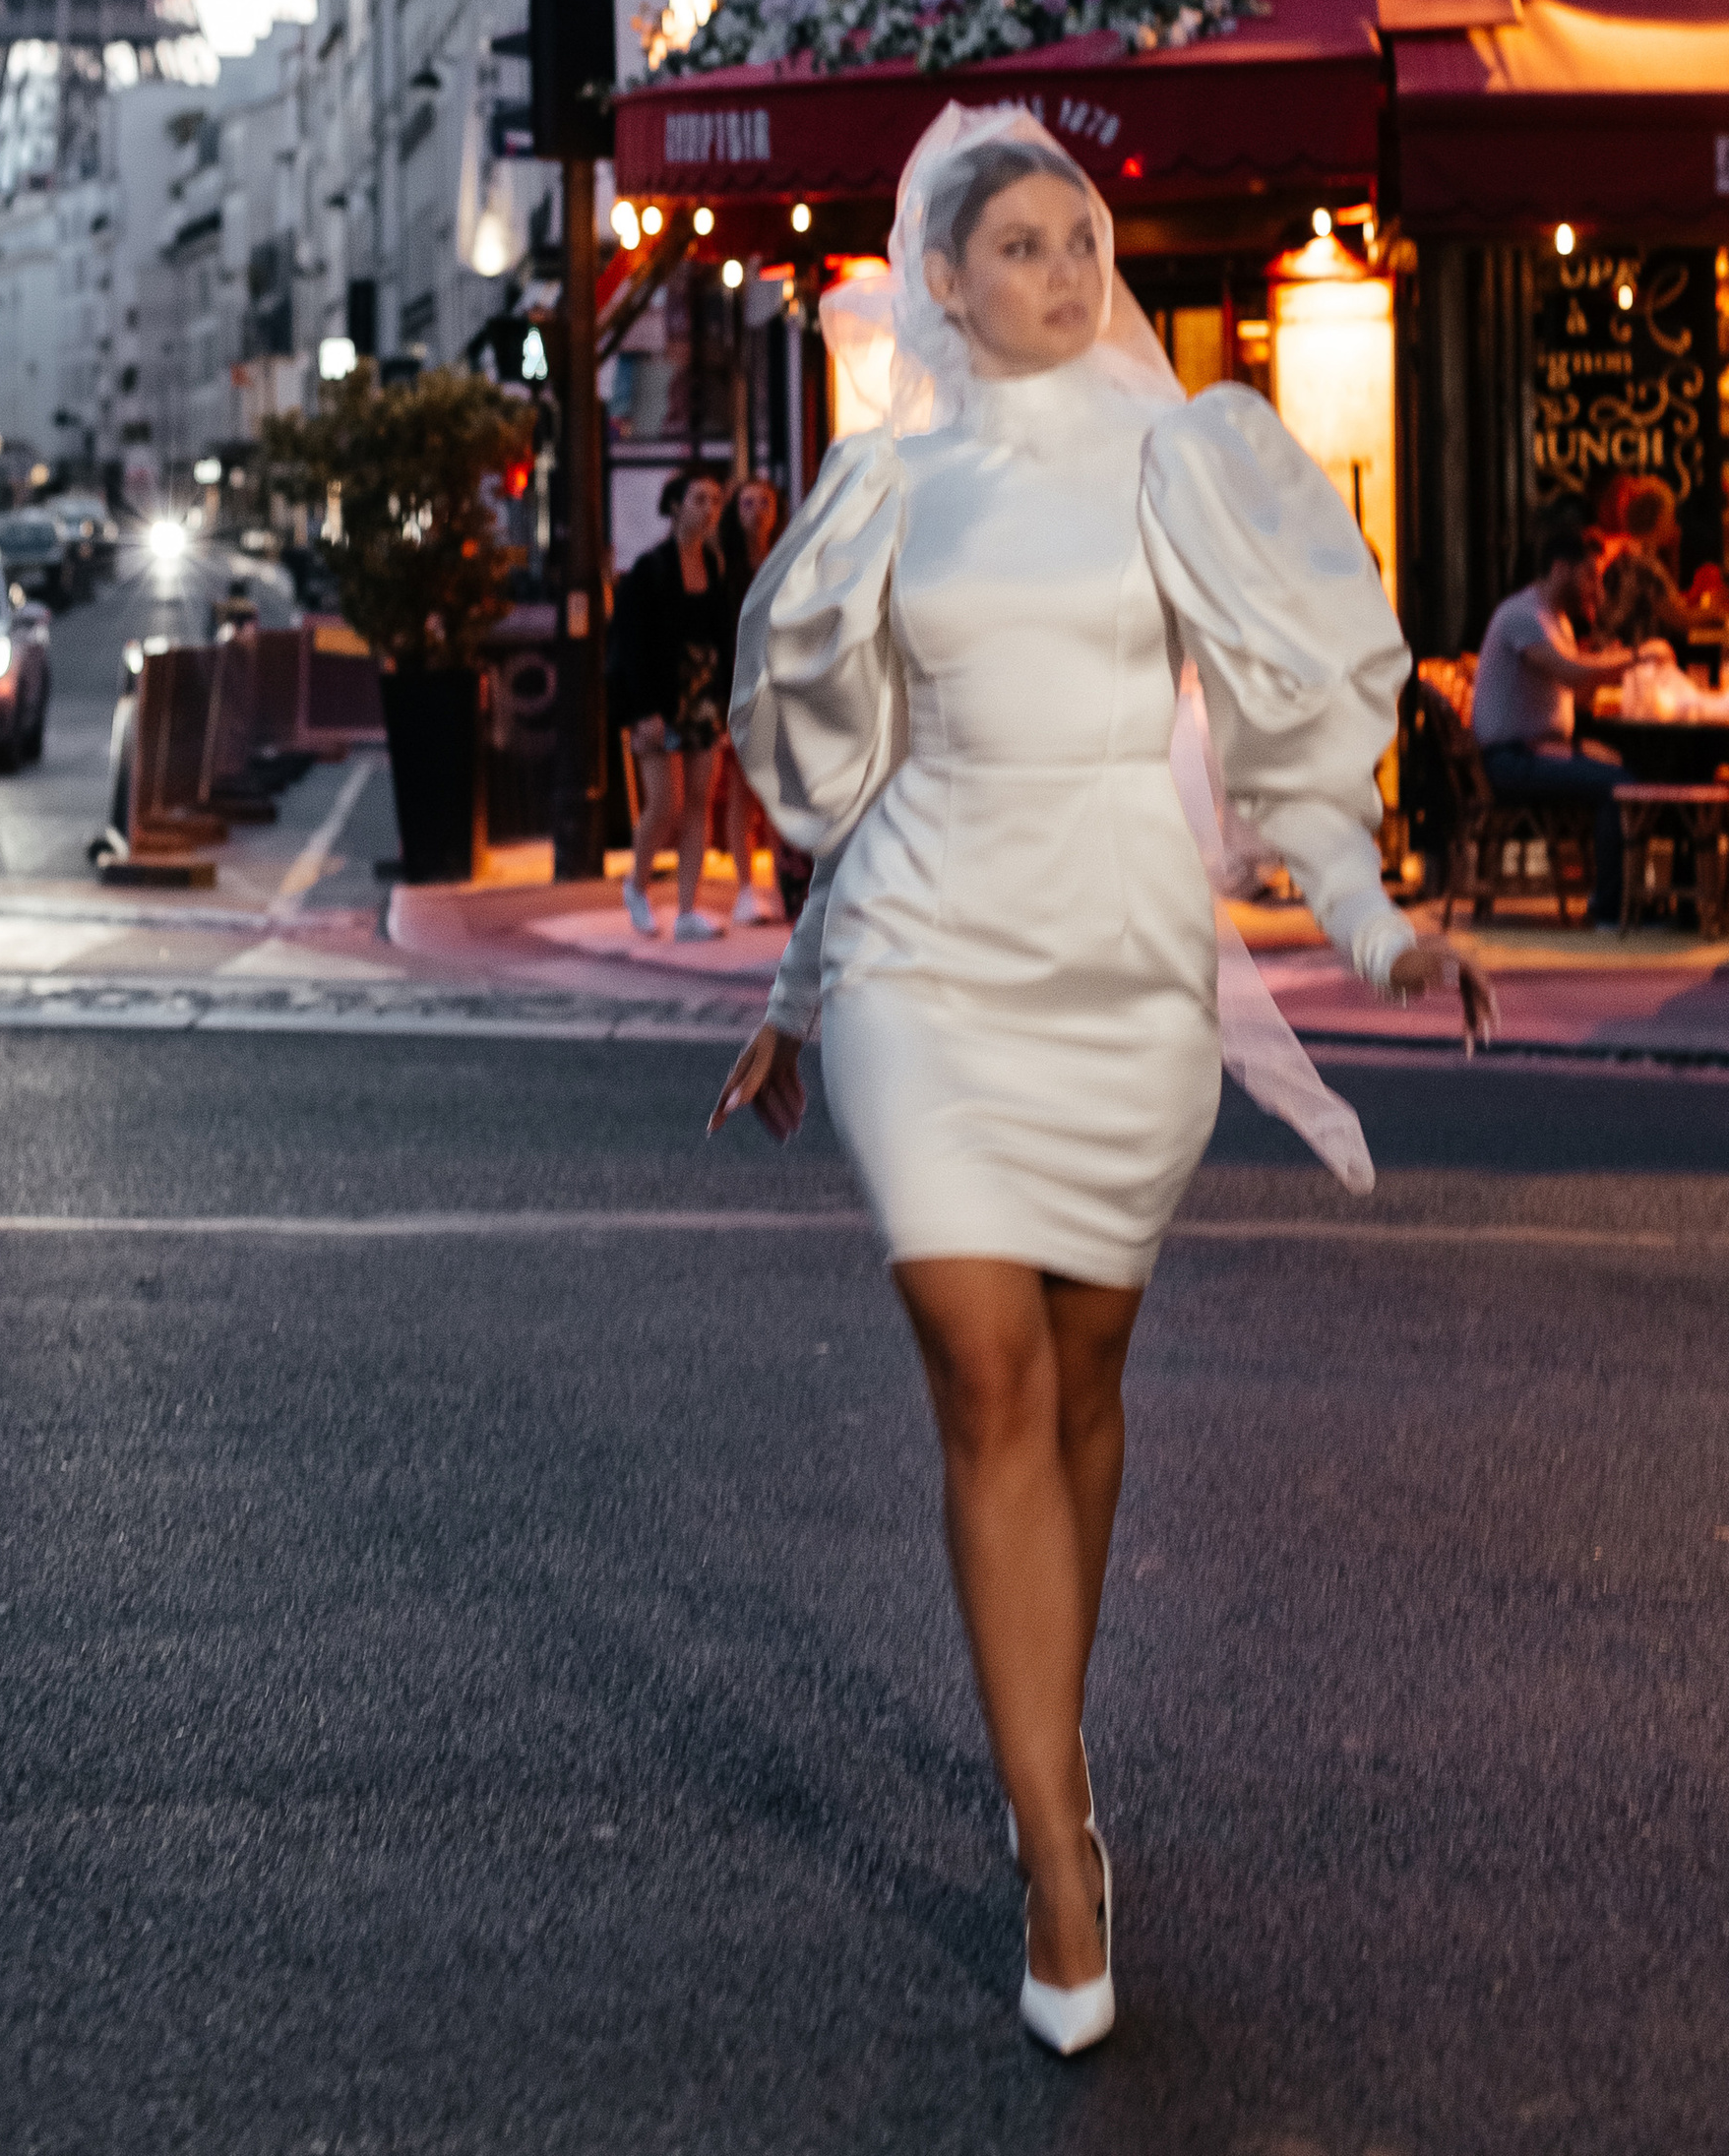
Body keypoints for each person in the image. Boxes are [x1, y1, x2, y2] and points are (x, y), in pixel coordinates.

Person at [708, 105, 1491, 2061]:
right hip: (921, 944)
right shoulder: (887, 486)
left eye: (1080, 239)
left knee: (1077, 1381)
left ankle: (1038, 1747)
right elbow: (858, 768)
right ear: (943, 285)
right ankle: (1056, 1847)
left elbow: (1289, 723)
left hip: (1122, 949)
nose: (1062, 271)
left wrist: (1371, 924)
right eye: (1021, 247)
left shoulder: (1182, 454)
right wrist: (803, 995)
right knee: (981, 1377)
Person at [1467, 510, 1640, 921]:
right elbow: (1570, 672)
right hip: (1510, 760)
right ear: (1562, 568)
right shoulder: (1523, 615)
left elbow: (1577, 695)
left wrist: (1602, 644)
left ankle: (1626, 899)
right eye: (1591, 575)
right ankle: (1609, 908)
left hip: (1542, 751)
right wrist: (1635, 657)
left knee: (1631, 771)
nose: (1596, 585)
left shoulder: (1557, 618)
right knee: (1619, 786)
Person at [606, 463, 735, 940]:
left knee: (700, 801)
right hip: (660, 696)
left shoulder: (715, 564)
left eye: (715, 501)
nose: (710, 509)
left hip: (703, 694)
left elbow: (723, 638)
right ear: (676, 506)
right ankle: (636, 885)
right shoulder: (650, 568)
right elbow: (631, 644)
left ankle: (686, 910)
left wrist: (726, 701)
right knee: (665, 804)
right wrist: (644, 712)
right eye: (700, 499)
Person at [716, 475, 787, 922]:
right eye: (747, 503)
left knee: (782, 791)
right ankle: (746, 888)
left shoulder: (788, 561)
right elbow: (724, 638)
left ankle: (783, 883)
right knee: (744, 789)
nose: (757, 511)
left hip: (782, 685)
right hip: (744, 687)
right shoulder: (725, 569)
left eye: (765, 503)